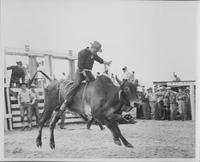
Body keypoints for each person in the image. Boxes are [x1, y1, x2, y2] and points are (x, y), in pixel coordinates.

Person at [54, 41, 112, 119]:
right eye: (96, 50)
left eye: (97, 51)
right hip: (80, 72)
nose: (96, 52)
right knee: (77, 84)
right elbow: (80, 65)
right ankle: (66, 101)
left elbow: (99, 60)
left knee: (95, 86)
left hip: (88, 72)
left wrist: (106, 62)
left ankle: (93, 105)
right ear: (92, 48)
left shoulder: (93, 54)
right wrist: (84, 74)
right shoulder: (82, 53)